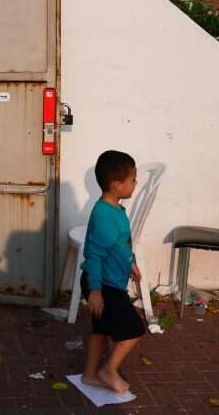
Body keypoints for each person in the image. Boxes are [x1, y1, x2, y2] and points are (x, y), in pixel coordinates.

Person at [80, 150, 145, 393]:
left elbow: (119, 245)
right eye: (133, 179)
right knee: (134, 329)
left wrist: (130, 263)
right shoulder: (105, 216)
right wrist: (96, 291)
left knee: (101, 329)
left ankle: (89, 375)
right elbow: (94, 255)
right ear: (117, 185)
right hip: (104, 286)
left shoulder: (115, 209)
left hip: (108, 282)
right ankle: (108, 370)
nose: (135, 184)